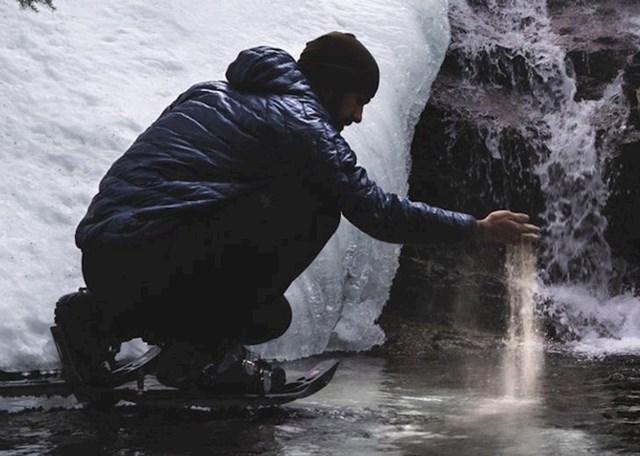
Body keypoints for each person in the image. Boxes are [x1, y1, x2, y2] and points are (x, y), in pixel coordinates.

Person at [54, 31, 540, 393]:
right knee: (316, 208)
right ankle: (204, 359)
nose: (358, 116)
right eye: (359, 100)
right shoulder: (303, 124)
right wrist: (476, 228)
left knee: (267, 316)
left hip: (106, 259)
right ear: (335, 87)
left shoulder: (211, 93)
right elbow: (375, 211)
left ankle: (96, 320)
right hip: (155, 254)